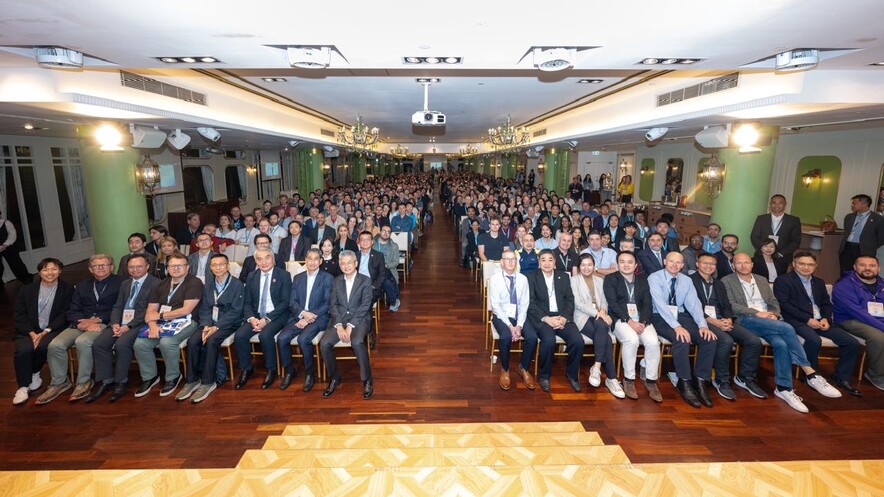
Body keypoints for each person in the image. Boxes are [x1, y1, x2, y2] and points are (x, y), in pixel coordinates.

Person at [722, 253, 841, 412]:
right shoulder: (726, 281)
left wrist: (774, 314)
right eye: (739, 263)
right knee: (787, 328)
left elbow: (773, 302)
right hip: (745, 319)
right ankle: (810, 373)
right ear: (733, 265)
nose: (743, 266)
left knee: (781, 343)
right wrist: (756, 313)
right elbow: (731, 304)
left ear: (752, 264)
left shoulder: (761, 280)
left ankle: (784, 388)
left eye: (746, 262)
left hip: (770, 320)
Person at [37, 254, 122, 405]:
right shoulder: (82, 285)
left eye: (104, 264)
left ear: (111, 267)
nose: (100, 267)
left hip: (104, 323)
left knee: (83, 342)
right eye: (96, 265)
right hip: (80, 323)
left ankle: (83, 381)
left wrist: (97, 319)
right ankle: (59, 382)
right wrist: (81, 323)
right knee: (55, 345)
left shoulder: (121, 283)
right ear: (90, 269)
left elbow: (120, 308)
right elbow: (72, 309)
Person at [774, 252, 862, 396]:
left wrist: (826, 318)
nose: (806, 267)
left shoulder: (819, 282)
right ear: (794, 264)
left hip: (821, 321)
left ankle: (841, 377)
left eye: (810, 264)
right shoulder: (783, 280)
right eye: (802, 263)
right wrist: (807, 320)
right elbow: (784, 305)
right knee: (814, 340)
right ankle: (811, 375)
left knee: (851, 342)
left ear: (815, 266)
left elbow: (826, 304)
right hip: (797, 320)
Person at [690, 252, 765, 400]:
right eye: (705, 263)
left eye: (712, 264)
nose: (709, 266)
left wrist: (728, 319)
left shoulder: (718, 283)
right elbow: (691, 307)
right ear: (697, 264)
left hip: (722, 319)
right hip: (702, 320)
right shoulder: (689, 281)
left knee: (753, 341)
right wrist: (714, 321)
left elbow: (726, 305)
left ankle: (745, 378)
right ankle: (722, 380)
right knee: (726, 340)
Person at [648, 252, 718, 408]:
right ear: (665, 261)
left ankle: (700, 381)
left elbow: (694, 304)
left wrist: (702, 325)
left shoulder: (686, 280)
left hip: (680, 314)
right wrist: (677, 326)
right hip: (659, 316)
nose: (674, 264)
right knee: (682, 338)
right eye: (671, 261)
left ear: (683, 265)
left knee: (709, 339)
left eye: (678, 262)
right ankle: (684, 381)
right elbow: (659, 305)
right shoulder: (654, 277)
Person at [86, 254, 159, 403]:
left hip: (140, 323)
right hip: (120, 323)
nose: (135, 270)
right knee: (99, 344)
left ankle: (121, 382)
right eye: (131, 267)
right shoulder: (126, 283)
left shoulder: (156, 284)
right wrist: (114, 323)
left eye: (139, 266)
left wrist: (128, 326)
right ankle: (106, 380)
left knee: (121, 344)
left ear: (147, 267)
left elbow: (149, 311)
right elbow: (118, 305)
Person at [176, 254, 245, 403]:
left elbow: (236, 311)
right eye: (214, 265)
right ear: (211, 268)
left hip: (229, 323)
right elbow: (205, 308)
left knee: (211, 341)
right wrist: (206, 324)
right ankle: (192, 380)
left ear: (227, 266)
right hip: (210, 322)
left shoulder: (237, 284)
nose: (218, 267)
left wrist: (217, 327)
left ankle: (208, 382)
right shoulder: (208, 285)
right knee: (193, 341)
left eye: (221, 264)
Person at [132, 253, 203, 398]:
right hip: (162, 322)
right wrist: (152, 325)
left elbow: (186, 310)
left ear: (187, 267)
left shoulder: (194, 282)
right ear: (167, 268)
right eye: (172, 265)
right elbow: (150, 310)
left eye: (180, 265)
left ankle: (173, 377)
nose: (176, 268)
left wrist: (159, 316)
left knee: (167, 342)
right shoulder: (160, 284)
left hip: (187, 321)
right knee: (140, 343)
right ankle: (149, 377)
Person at [12, 258, 74, 405]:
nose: (50, 273)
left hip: (53, 328)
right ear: (39, 272)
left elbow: (65, 313)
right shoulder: (27, 290)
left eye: (54, 269)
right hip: (28, 330)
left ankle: (34, 373)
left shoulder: (67, 289)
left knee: (43, 346)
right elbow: (19, 315)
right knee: (24, 350)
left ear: (60, 271)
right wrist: (32, 333)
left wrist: (46, 331)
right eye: (45, 269)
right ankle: (22, 387)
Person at [603, 250, 661, 402]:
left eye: (630, 262)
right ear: (617, 264)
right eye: (622, 262)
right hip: (621, 319)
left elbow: (648, 303)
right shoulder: (610, 279)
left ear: (635, 265)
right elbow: (613, 304)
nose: (626, 265)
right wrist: (630, 321)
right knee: (632, 340)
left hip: (641, 319)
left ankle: (651, 380)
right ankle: (628, 379)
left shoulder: (643, 280)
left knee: (653, 342)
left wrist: (642, 322)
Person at [525, 250, 585, 393]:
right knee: (549, 341)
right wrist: (547, 319)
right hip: (543, 318)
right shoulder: (531, 277)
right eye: (543, 260)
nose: (547, 263)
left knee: (578, 341)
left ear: (555, 262)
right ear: (539, 262)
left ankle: (572, 375)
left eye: (550, 260)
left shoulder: (563, 276)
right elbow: (530, 303)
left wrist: (564, 317)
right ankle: (544, 376)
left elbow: (570, 300)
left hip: (562, 316)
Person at [232, 247, 292, 390]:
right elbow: (247, 302)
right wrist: (252, 318)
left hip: (277, 315)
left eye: (267, 258)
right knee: (240, 336)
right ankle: (246, 369)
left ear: (273, 259)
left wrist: (267, 319)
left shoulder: (284, 275)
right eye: (259, 259)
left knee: (265, 335)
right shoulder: (252, 276)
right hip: (257, 315)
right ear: (255, 261)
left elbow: (285, 303)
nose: (264, 262)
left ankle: (271, 369)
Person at [320, 250, 375, 399]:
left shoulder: (365, 280)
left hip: (360, 319)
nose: (346, 266)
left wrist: (350, 326)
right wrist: (338, 325)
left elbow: (365, 306)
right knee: (324, 343)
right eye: (342, 263)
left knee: (357, 342)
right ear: (339, 265)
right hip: (339, 320)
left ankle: (367, 379)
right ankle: (334, 378)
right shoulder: (337, 280)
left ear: (356, 264)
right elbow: (333, 304)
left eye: (349, 262)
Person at [276, 249, 333, 393]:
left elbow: (327, 303)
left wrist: (309, 317)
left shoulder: (327, 278)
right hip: (298, 316)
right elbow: (292, 301)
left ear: (320, 261)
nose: (312, 262)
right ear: (305, 260)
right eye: (309, 258)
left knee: (303, 339)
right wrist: (303, 314)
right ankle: (289, 371)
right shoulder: (298, 277)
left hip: (319, 318)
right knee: (282, 338)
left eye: (316, 259)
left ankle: (309, 373)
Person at [571, 254, 624, 398]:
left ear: (594, 266)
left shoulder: (600, 280)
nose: (586, 268)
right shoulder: (573, 281)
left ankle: (597, 366)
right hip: (582, 317)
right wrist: (597, 313)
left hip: (600, 316)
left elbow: (605, 301)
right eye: (583, 265)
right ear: (579, 267)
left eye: (589, 265)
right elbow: (578, 303)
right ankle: (611, 378)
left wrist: (602, 310)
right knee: (605, 338)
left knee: (602, 328)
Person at [832, 255, 884, 391]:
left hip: (878, 321)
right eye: (862, 265)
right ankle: (876, 375)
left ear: (878, 268)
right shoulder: (844, 285)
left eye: (872, 265)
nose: (867, 268)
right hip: (850, 320)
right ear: (855, 267)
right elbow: (857, 312)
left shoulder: (882, 284)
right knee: (879, 338)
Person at [488, 251, 535, 391]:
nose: (510, 262)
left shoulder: (522, 279)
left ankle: (524, 368)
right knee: (505, 336)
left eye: (513, 259)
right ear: (502, 262)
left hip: (519, 314)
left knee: (532, 337)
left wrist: (519, 325)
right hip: (501, 315)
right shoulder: (495, 279)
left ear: (516, 262)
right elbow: (495, 306)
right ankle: (505, 369)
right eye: (507, 259)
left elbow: (524, 304)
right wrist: (510, 326)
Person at [750, 195, 802, 265]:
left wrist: (780, 254)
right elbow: (754, 236)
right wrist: (763, 250)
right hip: (762, 256)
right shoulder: (761, 218)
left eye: (780, 203)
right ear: (770, 204)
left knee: (780, 276)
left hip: (783, 257)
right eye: (774, 203)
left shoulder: (793, 220)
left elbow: (796, 240)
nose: (776, 205)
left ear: (785, 205)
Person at [839, 194, 884, 274]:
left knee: (861, 272)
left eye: (855, 203)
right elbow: (847, 232)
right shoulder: (849, 217)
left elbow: (881, 238)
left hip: (864, 250)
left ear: (864, 204)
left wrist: (870, 245)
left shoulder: (878, 219)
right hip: (847, 248)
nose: (852, 205)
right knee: (845, 272)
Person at [356, 231, 394, 322]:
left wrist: (373, 286)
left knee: (365, 303)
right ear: (359, 242)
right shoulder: (355, 255)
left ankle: (367, 331)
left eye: (367, 240)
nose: (364, 242)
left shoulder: (378, 256)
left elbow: (382, 274)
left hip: (371, 287)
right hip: (357, 286)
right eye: (362, 240)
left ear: (372, 242)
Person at [0, 209, 33, 284]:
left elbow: (12, 235)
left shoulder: (6, 223)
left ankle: (26, 278)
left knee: (16, 263)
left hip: (9, 246)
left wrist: (5, 244)